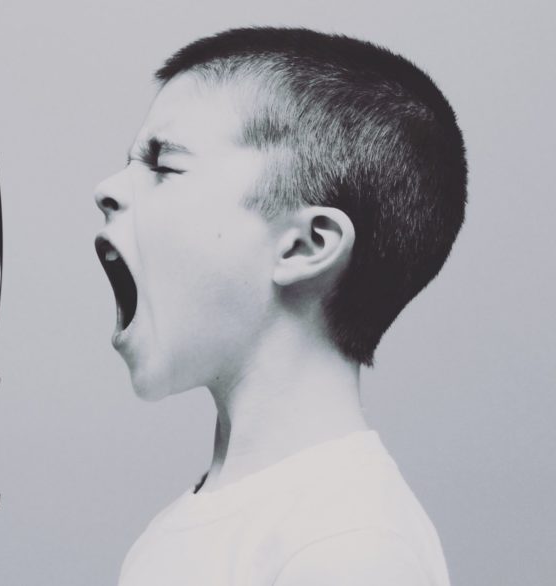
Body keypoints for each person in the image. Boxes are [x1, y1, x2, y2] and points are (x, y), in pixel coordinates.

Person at [93, 27, 465, 586]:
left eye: (164, 165)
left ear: (305, 245)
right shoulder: (191, 525)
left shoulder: (348, 548)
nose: (108, 189)